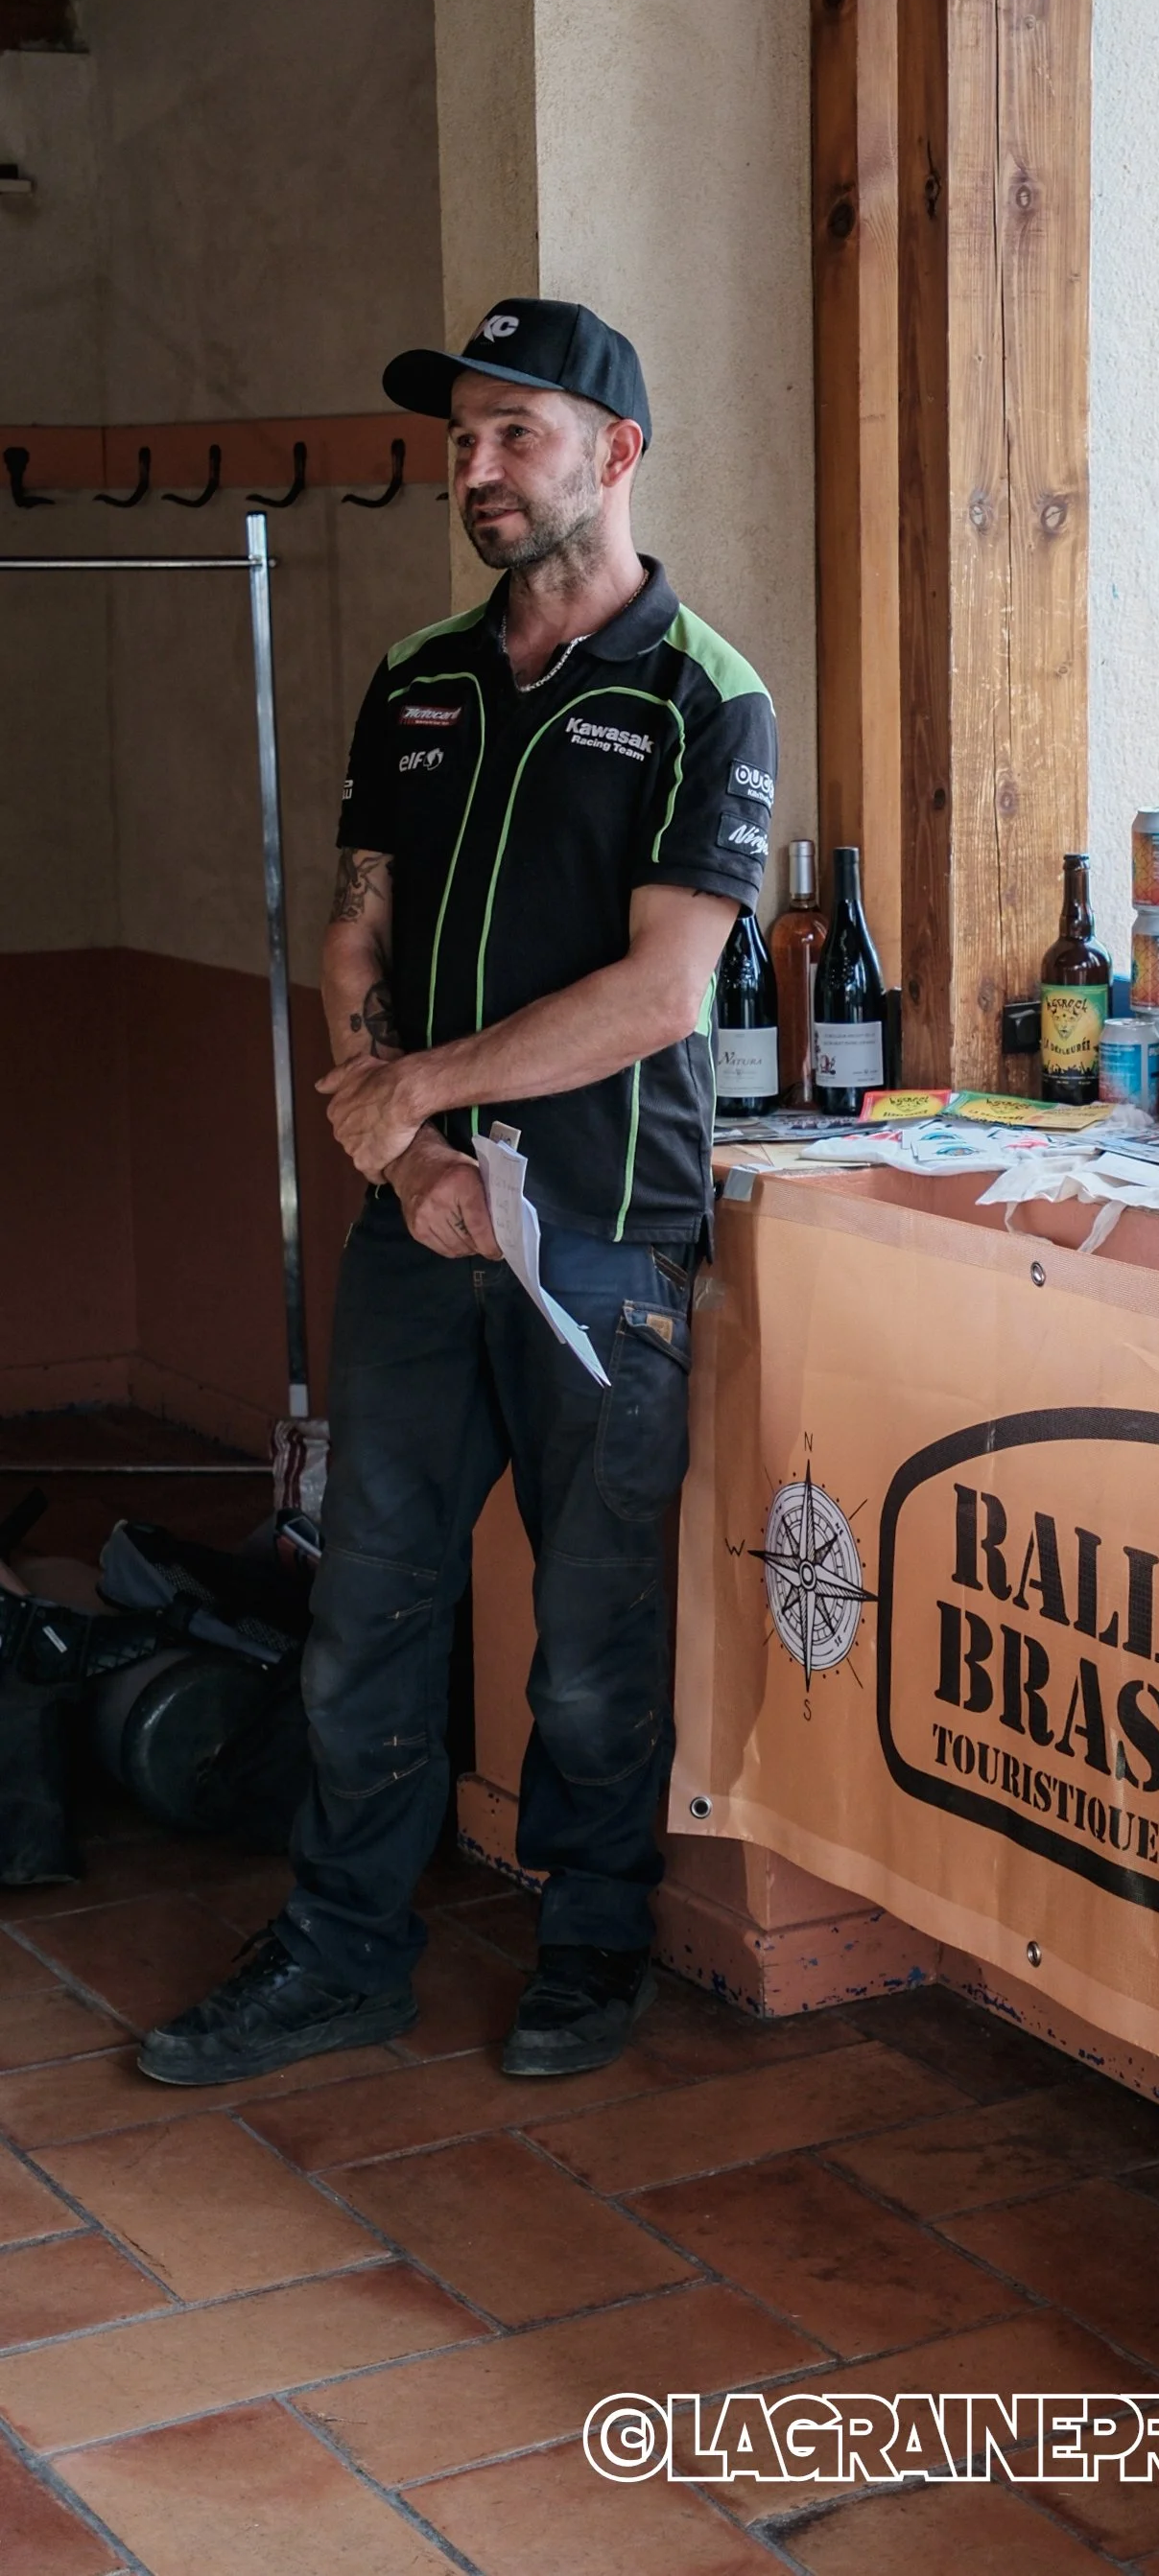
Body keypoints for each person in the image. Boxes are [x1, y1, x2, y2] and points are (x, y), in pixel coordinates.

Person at [140, 298, 776, 2084]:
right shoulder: (418, 675)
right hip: (418, 1226)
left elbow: (665, 994)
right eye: (462, 439)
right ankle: (341, 1948)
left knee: (589, 1642)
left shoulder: (703, 697)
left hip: (602, 1240)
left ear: (617, 453)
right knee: (369, 1609)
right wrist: (407, 1149)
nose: (476, 470)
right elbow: (359, 930)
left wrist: (431, 1083)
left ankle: (591, 1947)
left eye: (517, 435)